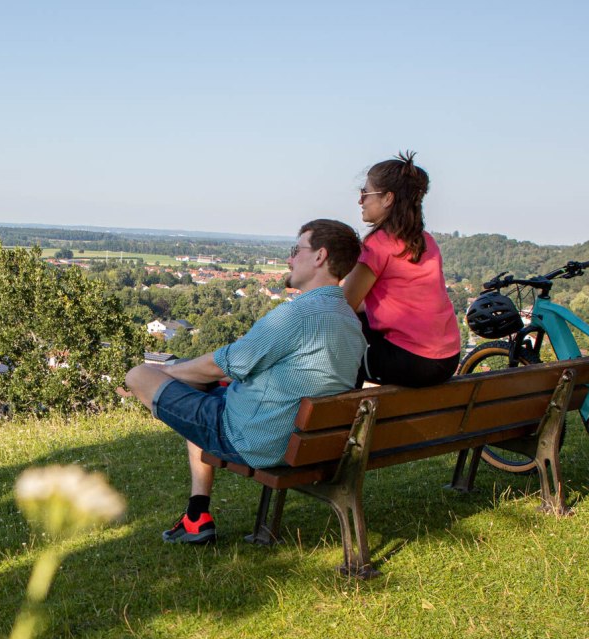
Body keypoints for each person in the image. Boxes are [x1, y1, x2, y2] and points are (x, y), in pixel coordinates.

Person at [124, 219, 365, 544]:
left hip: (255, 439)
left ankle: (197, 517)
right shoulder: (349, 320)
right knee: (201, 388)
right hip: (307, 440)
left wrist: (165, 373)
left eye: (296, 250)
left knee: (139, 374)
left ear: (320, 256)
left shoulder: (295, 315)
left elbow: (224, 363)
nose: (290, 259)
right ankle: (197, 514)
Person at [342, 151, 460, 387]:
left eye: (365, 193)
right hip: (447, 358)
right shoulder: (425, 241)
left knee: (339, 348)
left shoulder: (378, 244)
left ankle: (347, 421)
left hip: (413, 362)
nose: (360, 201)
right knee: (358, 323)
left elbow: (343, 305)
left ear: (387, 198)